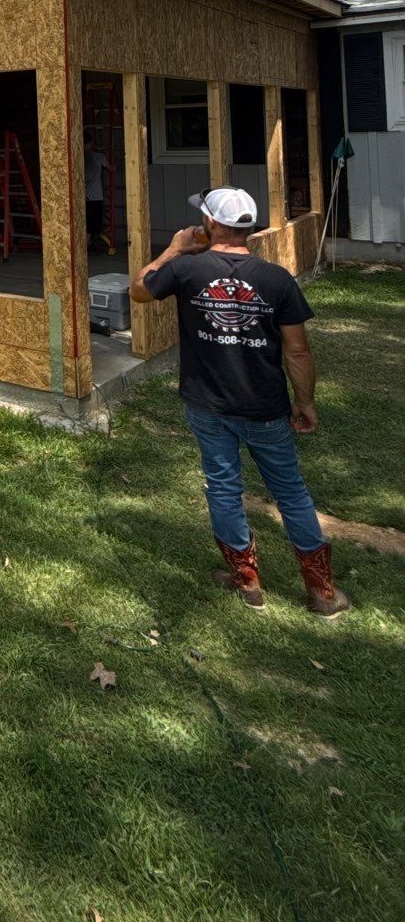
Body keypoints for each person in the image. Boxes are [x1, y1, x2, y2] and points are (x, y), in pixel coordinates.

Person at [129, 186, 349, 617]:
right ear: (247, 227)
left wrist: (173, 249)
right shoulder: (277, 279)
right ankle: (322, 591)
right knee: (291, 493)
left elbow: (138, 289)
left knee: (224, 487)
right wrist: (305, 401)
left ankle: (247, 580)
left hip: (208, 405)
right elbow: (298, 350)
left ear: (210, 224)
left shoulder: (187, 270)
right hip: (266, 407)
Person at [82, 130, 110, 252]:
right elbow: (111, 168)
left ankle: (87, 245)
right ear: (92, 143)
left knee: (84, 223)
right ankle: (85, 249)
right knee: (91, 224)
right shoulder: (98, 157)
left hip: (81, 196)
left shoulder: (77, 157)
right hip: (94, 196)